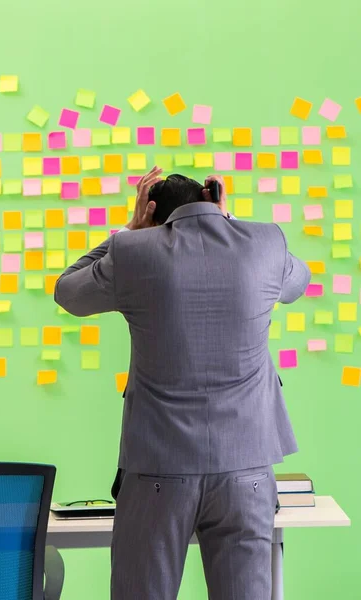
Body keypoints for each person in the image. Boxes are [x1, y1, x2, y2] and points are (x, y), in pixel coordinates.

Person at [54, 168, 311, 600]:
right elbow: (297, 282)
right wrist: (225, 221)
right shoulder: (265, 243)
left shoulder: (133, 252)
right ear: (212, 201)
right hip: (246, 469)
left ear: (153, 215)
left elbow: (67, 291)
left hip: (157, 467)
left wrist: (129, 230)